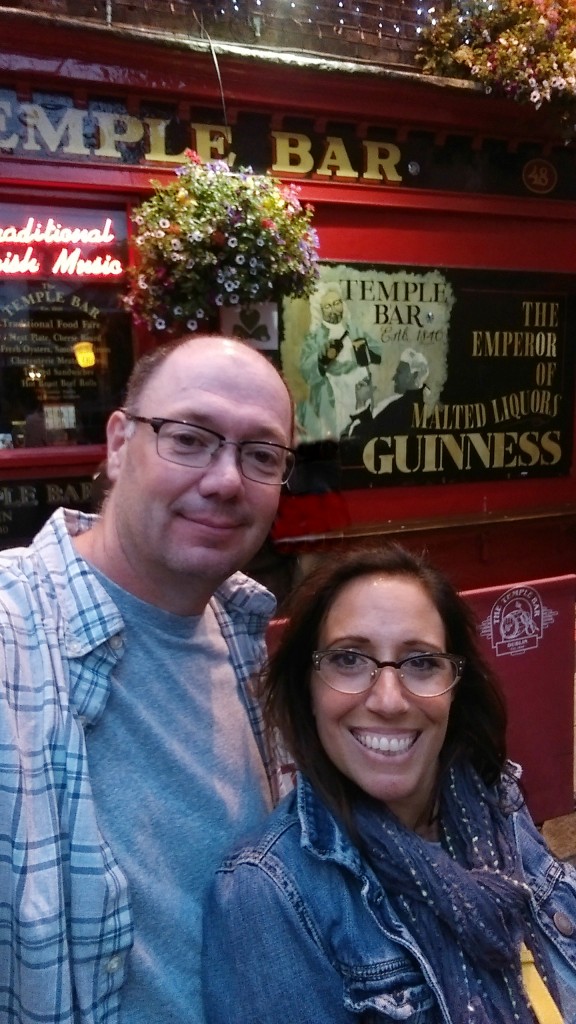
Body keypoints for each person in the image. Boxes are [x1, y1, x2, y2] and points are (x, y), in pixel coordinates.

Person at [0, 334, 296, 1024]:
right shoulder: (13, 631)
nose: (225, 480)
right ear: (116, 444)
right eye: (189, 438)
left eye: (260, 454)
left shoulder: (249, 638)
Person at [203, 544, 576, 1024]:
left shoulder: (495, 804)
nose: (388, 699)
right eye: (349, 660)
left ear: (454, 688)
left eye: (421, 663)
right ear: (307, 688)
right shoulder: (267, 894)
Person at [297, 284, 381, 441]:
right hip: (333, 392)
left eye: (337, 303)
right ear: (320, 310)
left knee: (359, 432)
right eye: (328, 306)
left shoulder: (354, 330)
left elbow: (378, 352)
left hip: (358, 390)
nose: (334, 309)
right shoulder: (315, 337)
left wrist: (363, 351)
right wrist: (323, 359)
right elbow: (306, 369)